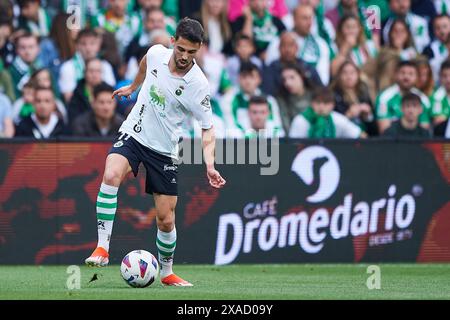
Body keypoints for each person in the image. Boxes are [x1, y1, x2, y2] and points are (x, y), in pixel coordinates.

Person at [84, 18, 226, 287]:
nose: (185, 56)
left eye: (191, 52)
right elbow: (145, 64)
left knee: (165, 219)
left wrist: (210, 164)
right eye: (181, 49)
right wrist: (133, 87)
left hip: (165, 150)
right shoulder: (156, 53)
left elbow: (207, 129)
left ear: (199, 49)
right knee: (112, 173)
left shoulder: (199, 85)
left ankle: (167, 272)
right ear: (173, 41)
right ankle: (102, 248)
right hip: (135, 134)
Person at [265, 4, 331, 85]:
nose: (309, 22)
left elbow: (323, 76)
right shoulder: (278, 41)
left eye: (311, 18)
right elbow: (270, 69)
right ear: (294, 19)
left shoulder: (321, 44)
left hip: (312, 89)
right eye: (304, 18)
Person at [221, 61, 284, 136]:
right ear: (238, 79)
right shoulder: (228, 100)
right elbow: (230, 129)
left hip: (267, 143)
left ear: (259, 79)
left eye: (252, 77)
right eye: (244, 77)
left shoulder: (270, 100)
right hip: (239, 144)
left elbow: (277, 128)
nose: (248, 81)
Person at [58, 28, 116, 103]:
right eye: (83, 44)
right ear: (77, 46)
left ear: (98, 45)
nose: (88, 48)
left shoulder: (105, 66)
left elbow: (111, 95)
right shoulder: (67, 67)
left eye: (92, 43)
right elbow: (69, 99)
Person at [375, 60, 431, 134]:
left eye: (411, 74)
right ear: (396, 74)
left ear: (417, 77)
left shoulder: (423, 100)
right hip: (393, 142)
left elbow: (424, 132)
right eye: (402, 73)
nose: (406, 77)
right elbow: (384, 131)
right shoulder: (385, 98)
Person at [289, 87, 365, 138]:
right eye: (318, 102)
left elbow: (361, 135)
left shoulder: (337, 119)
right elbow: (292, 146)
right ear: (311, 103)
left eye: (326, 103)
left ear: (332, 105)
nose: (321, 107)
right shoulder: (300, 121)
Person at [262, 31, 322, 96]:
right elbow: (268, 93)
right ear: (278, 48)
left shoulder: (307, 67)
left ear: (297, 48)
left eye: (291, 45)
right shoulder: (271, 69)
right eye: (284, 45)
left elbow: (320, 90)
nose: (288, 50)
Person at [331, 60, 377, 136]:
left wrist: (368, 116)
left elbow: (375, 129)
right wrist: (348, 115)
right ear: (339, 76)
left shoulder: (364, 94)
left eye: (352, 73)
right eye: (345, 73)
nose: (349, 77)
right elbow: (332, 125)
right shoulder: (334, 95)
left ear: (358, 75)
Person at [275, 63, 314, 133]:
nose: (288, 83)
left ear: (302, 76)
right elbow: (285, 124)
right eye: (284, 80)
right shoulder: (282, 99)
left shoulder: (315, 95)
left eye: (292, 77)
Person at [67, 58, 105, 124]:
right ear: (84, 72)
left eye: (98, 71)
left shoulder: (108, 92)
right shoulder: (76, 95)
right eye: (91, 71)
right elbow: (73, 120)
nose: (94, 75)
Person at [8, 33, 42, 98]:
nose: (27, 51)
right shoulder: (10, 72)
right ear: (16, 50)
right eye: (23, 47)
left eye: (31, 47)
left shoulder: (42, 69)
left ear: (38, 49)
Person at [431, 59, 450, 126]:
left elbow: (443, 118)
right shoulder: (436, 96)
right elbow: (438, 120)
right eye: (445, 76)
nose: (448, 79)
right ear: (440, 77)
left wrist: (446, 116)